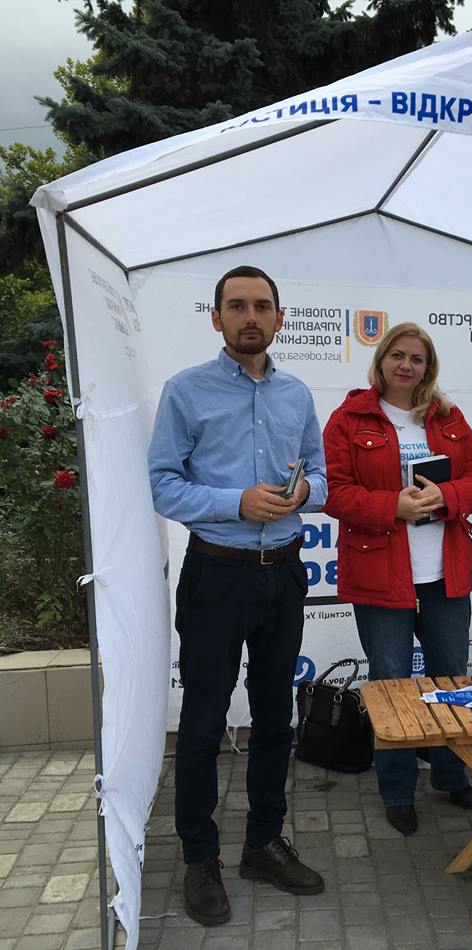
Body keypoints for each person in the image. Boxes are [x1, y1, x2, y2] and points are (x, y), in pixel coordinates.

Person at [148, 265, 328, 926]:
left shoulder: (296, 394)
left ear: (278, 318)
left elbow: (322, 475)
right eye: (236, 305)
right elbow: (162, 484)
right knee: (202, 721)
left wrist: (304, 491)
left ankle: (262, 844)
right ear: (216, 317)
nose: (250, 316)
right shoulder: (185, 391)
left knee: (276, 717)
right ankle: (200, 858)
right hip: (217, 575)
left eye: (261, 306)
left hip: (283, 572)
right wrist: (235, 502)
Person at [322, 322, 472, 835]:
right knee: (391, 684)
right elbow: (333, 491)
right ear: (381, 362)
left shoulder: (447, 416)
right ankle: (396, 789)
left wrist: (448, 496)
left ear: (428, 368)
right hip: (381, 573)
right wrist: (390, 506)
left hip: (444, 573)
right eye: (397, 355)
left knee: (451, 680)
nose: (406, 365)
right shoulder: (349, 419)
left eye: (416, 359)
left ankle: (450, 774)